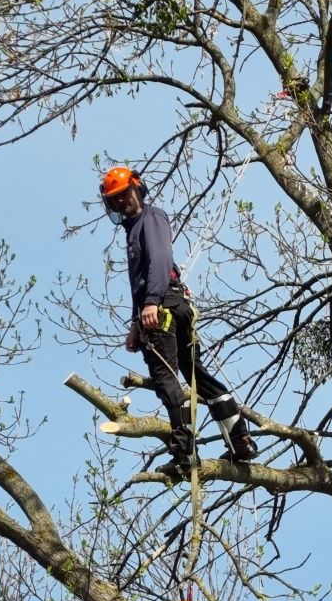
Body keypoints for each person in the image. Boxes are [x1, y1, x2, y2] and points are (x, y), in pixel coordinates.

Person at [100, 165, 259, 472]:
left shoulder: (151, 217)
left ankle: (185, 454)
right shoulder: (134, 229)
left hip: (164, 307)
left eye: (124, 196)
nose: (121, 203)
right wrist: (136, 323)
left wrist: (150, 303)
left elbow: (159, 261)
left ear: (137, 189)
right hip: (169, 305)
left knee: (166, 379)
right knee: (196, 375)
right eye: (115, 200)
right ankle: (240, 442)